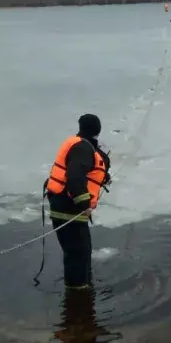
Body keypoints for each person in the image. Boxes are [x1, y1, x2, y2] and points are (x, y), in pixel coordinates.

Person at [45, 114, 111, 290]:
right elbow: (75, 179)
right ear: (98, 130)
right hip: (69, 211)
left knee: (80, 254)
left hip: (65, 209)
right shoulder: (82, 148)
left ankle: (81, 294)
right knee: (78, 255)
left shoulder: (81, 145)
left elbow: (86, 170)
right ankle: (78, 298)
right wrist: (85, 205)